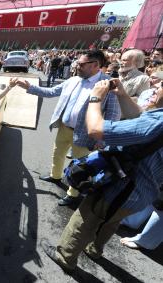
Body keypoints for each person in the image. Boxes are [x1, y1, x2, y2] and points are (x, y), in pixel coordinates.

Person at [42, 78, 163, 273]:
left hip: (121, 187)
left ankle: (65, 256)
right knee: (111, 221)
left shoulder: (159, 122)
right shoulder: (157, 118)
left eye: (162, 85)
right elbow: (140, 118)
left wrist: (94, 98)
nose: (156, 86)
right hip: (142, 193)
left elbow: (96, 129)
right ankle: (94, 249)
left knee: (86, 216)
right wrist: (122, 94)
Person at [17, 50, 121, 206]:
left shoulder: (108, 85)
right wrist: (30, 87)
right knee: (57, 153)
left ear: (95, 65)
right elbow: (52, 92)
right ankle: (55, 175)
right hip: (64, 128)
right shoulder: (73, 80)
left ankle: (73, 194)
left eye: (80, 64)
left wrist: (103, 138)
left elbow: (113, 114)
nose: (76, 66)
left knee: (80, 166)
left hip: (85, 134)